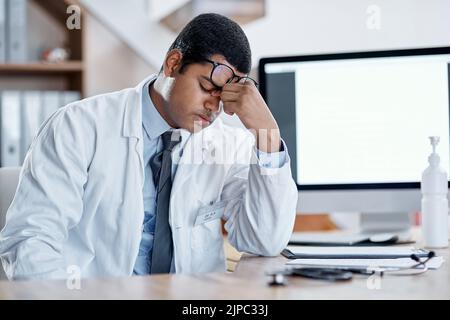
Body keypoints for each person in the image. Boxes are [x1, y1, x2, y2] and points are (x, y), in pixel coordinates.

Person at [0, 13, 297, 280]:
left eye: (224, 97)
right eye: (207, 87)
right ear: (173, 64)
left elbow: (263, 241)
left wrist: (267, 135)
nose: (214, 106)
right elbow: (30, 245)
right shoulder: (77, 127)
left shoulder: (226, 144)